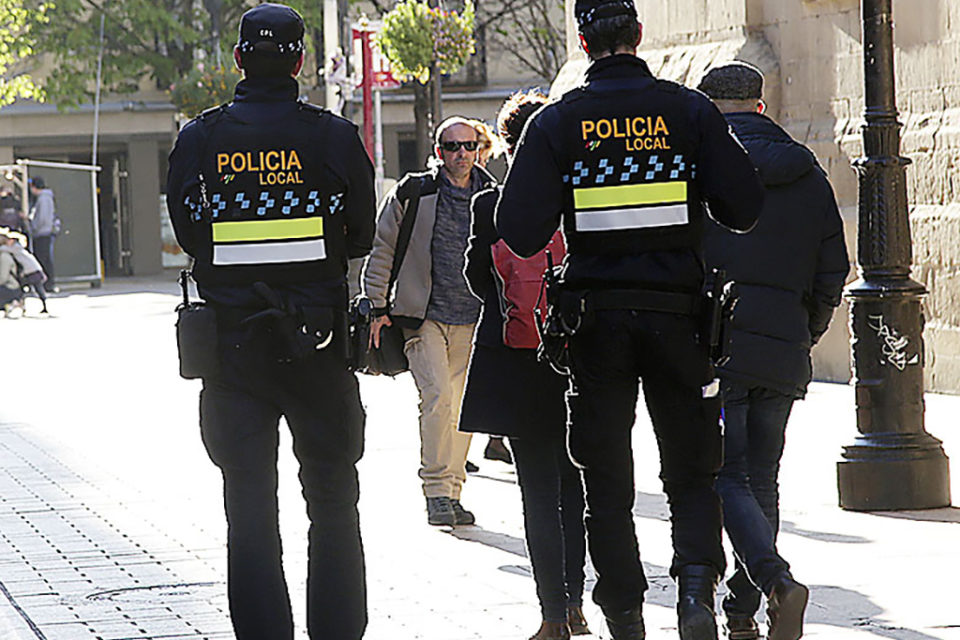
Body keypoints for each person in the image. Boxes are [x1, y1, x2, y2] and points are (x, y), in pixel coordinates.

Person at [495, 2, 766, 638]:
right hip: (681, 320)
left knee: (606, 480)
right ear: (638, 37)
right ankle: (697, 591)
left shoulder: (559, 121)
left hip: (596, 323)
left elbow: (518, 231)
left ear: (583, 43)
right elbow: (744, 207)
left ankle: (623, 611)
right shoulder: (687, 110)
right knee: (693, 471)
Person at [166, 4, 376, 639]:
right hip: (318, 345)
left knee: (249, 513)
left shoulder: (200, 140)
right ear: (300, 61)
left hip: (232, 353)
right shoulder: (333, 138)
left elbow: (189, 234)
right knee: (334, 503)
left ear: (237, 61)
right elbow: (362, 234)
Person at [697, 62, 849, 640]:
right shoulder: (806, 173)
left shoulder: (700, 171)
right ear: (761, 107)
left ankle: (775, 581)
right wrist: (803, 331)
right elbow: (832, 269)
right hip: (783, 347)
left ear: (708, 109)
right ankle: (743, 612)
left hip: (715, 348)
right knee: (764, 477)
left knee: (725, 475)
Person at [461, 90, 589, 640]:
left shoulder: (490, 206)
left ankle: (552, 615)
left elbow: (474, 278)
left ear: (508, 143)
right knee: (576, 483)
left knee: (536, 488)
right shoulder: (578, 198)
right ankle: (579, 602)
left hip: (517, 359)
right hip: (577, 359)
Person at [364, 116, 496, 526]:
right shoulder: (414, 191)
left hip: (474, 319)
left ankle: (454, 492)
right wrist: (376, 305)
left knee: (462, 407)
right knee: (437, 397)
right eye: (452, 146)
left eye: (468, 146)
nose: (461, 154)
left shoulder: (492, 195)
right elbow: (383, 247)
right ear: (438, 150)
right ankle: (437, 490)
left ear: (479, 149)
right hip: (423, 316)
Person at [0, 226, 49, 314]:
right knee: (34, 289)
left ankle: (22, 302)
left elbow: (3, 249)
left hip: (31, 271)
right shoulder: (18, 248)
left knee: (34, 289)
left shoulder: (15, 248)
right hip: (32, 270)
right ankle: (25, 304)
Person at [28, 176, 57, 291]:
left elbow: (42, 218)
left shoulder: (43, 199)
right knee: (45, 258)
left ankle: (47, 283)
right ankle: (48, 283)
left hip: (42, 232)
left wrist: (34, 227)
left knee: (42, 259)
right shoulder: (45, 198)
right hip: (44, 232)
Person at [1, 228, 25, 317]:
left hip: (11, 287)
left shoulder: (4, 255)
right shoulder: (10, 252)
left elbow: (3, 277)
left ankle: (13, 301)